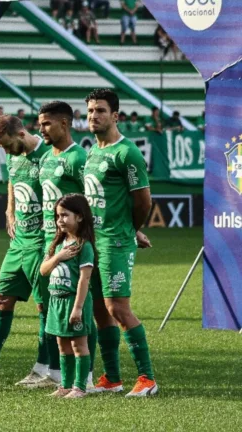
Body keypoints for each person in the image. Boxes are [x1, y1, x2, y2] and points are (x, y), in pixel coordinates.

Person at [83, 89, 157, 397]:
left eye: (100, 110)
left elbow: (143, 201)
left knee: (118, 308)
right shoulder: (92, 152)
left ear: (115, 116)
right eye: (89, 111)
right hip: (93, 242)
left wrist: (131, 229)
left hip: (115, 241)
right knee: (100, 310)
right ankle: (112, 378)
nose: (93, 116)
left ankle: (148, 379)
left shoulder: (127, 153)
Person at [0, 114, 57, 387]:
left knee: (44, 305)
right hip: (18, 242)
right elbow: (12, 179)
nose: (6, 152)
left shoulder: (47, 156)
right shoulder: (12, 155)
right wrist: (9, 209)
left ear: (21, 134)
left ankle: (46, 368)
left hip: (41, 241)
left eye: (7, 145)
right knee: (2, 298)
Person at [37, 101, 94, 387]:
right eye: (40, 123)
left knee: (82, 308)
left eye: (47, 123)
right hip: (52, 242)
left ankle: (88, 376)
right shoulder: (46, 158)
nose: (41, 129)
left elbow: (91, 200)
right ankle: (58, 376)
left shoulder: (79, 158)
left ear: (65, 123)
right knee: (50, 308)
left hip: (76, 243)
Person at [40, 194, 96, 398]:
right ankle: (65, 385)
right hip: (56, 301)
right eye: (57, 216)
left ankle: (79, 387)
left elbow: (84, 280)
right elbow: (43, 271)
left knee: (78, 345)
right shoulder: (57, 244)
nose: (60, 220)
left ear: (79, 217)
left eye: (65, 215)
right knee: (62, 345)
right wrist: (58, 257)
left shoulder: (84, 246)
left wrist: (78, 308)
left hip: (74, 301)